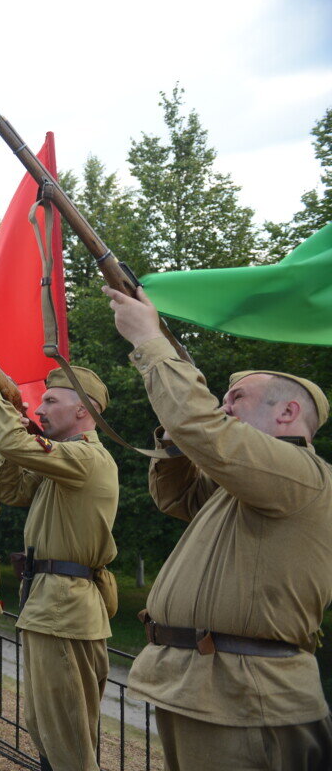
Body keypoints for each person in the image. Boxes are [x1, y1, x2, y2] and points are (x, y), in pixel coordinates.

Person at [106, 285, 332, 771]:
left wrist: (149, 341)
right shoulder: (245, 483)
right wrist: (176, 436)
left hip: (246, 695)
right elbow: (176, 497)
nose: (223, 407)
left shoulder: (301, 473)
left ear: (288, 412)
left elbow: (208, 430)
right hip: (208, 686)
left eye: (236, 398)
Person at [0, 341, 118, 771]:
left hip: (64, 607)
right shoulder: (62, 462)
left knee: (66, 735)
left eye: (50, 401)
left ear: (83, 410)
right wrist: (24, 432)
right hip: (51, 603)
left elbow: (11, 446)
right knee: (47, 725)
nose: (39, 408)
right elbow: (8, 488)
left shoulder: (86, 457)